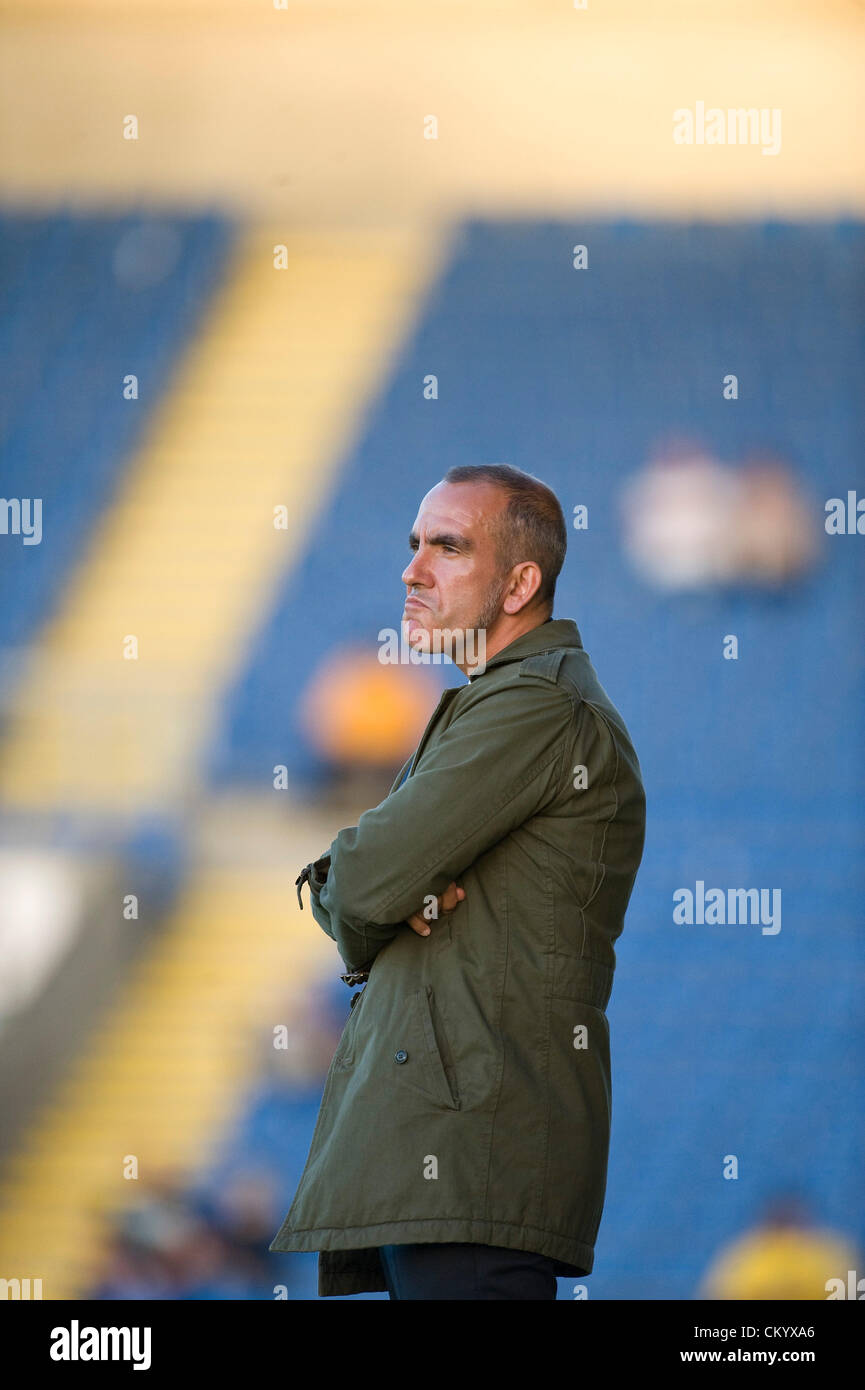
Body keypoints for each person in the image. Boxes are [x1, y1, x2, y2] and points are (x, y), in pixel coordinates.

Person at [269, 463, 646, 1299]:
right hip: (453, 1156)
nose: (411, 570)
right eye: (413, 544)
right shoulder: (497, 700)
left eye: (447, 546)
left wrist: (385, 890)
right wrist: (398, 889)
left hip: (473, 1151)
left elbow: (360, 885)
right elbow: (377, 887)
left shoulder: (535, 708)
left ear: (520, 583)